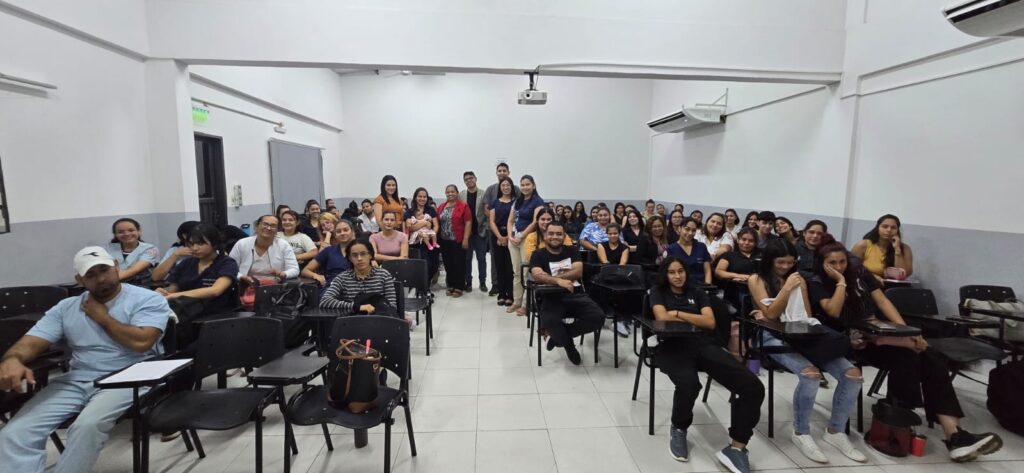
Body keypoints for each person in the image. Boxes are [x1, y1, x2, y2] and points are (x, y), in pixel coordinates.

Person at [810, 235, 1001, 462]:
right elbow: (832, 311)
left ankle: (954, 434)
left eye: (842, 261)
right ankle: (900, 421)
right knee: (909, 357)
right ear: (822, 264)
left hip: (879, 333)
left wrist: (906, 332)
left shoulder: (859, 273)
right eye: (832, 263)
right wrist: (840, 282)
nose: (839, 266)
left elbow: (883, 302)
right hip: (851, 342)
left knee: (930, 357)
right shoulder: (816, 282)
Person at [0, 247, 170, 473]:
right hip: (77, 379)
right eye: (91, 274)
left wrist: (103, 318)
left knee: (86, 426)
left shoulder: (147, 299)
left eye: (104, 269)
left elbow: (142, 342)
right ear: (80, 280)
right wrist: (12, 359)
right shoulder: (66, 308)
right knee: (15, 432)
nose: (101, 279)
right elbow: (32, 341)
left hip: (129, 377)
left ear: (116, 267)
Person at [747, 239, 866, 464]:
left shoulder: (798, 278)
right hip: (770, 334)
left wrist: (796, 288)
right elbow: (771, 315)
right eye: (780, 263)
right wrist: (787, 288)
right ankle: (801, 432)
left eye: (790, 262)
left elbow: (806, 316)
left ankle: (835, 431)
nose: (785, 267)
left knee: (853, 375)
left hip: (800, 333)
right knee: (810, 375)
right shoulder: (757, 279)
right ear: (770, 261)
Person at [651, 256, 764, 473]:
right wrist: (693, 317)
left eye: (681, 271)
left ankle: (737, 447)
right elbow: (662, 317)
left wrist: (677, 313)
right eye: (672, 272)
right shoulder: (658, 292)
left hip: (704, 344)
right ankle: (679, 428)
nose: (677, 276)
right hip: (672, 346)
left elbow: (710, 322)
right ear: (665, 274)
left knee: (753, 387)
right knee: (689, 384)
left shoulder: (698, 292)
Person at [528, 221, 605, 365]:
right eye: (551, 233)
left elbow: (578, 272)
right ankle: (569, 346)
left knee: (598, 317)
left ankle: (559, 338)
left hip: (576, 295)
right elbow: (537, 275)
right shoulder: (538, 254)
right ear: (545, 235)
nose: (554, 237)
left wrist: (552, 277)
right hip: (550, 297)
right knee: (550, 321)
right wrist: (558, 281)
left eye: (559, 234)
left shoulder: (572, 250)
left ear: (564, 236)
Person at [159, 223, 240, 315]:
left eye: (200, 244)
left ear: (214, 243)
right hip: (185, 310)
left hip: (215, 314)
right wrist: (162, 293)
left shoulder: (227, 263)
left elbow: (216, 290)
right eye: (191, 244)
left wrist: (175, 295)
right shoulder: (186, 263)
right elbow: (172, 290)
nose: (195, 248)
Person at [318, 240, 398, 316]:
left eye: (363, 254)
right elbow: (325, 301)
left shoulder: (384, 275)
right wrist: (356, 307)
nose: (359, 258)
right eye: (354, 255)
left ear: (370, 255)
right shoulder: (342, 278)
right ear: (349, 258)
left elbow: (392, 305)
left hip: (381, 319)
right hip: (354, 321)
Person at [506, 175, 544, 316]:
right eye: (522, 185)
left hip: (527, 239)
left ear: (533, 185)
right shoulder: (518, 201)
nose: (525, 187)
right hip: (514, 239)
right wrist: (510, 236)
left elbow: (535, 222)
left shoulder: (538, 201)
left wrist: (522, 236)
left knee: (526, 272)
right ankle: (517, 301)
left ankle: (526, 304)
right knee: (516, 272)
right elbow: (510, 220)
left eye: (528, 184)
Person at [229, 215, 299, 286]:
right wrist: (241, 277)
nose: (268, 228)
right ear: (257, 226)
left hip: (275, 286)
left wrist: (283, 274)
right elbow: (229, 268)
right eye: (265, 224)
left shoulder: (283, 245)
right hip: (245, 285)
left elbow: (295, 269)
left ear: (277, 230)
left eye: (273, 226)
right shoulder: (242, 244)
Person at [483, 163, 519, 297]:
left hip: (512, 233)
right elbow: (487, 210)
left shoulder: (516, 191)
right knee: (496, 261)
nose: (502, 172)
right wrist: (498, 234)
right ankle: (496, 286)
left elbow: (518, 212)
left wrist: (508, 235)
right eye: (499, 170)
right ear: (496, 172)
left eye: (504, 170)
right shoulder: (491, 190)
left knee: (511, 262)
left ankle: (511, 291)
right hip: (495, 232)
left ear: (508, 172)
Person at [851, 214, 914, 283]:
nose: (889, 230)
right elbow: (853, 268)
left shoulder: (905, 248)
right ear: (878, 228)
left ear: (897, 230)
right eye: (885, 226)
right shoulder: (863, 245)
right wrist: (872, 276)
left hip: (893, 286)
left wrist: (897, 250)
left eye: (893, 228)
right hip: (867, 283)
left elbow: (904, 274)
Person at [302, 218, 357, 291]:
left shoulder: (362, 249)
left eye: (346, 230)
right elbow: (305, 270)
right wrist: (315, 275)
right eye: (338, 231)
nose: (342, 233)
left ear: (352, 232)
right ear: (335, 235)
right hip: (332, 288)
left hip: (355, 287)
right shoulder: (328, 251)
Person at [437, 184, 472, 297]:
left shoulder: (463, 206)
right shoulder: (441, 207)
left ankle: (459, 287)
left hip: (458, 240)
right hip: (444, 241)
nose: (450, 194)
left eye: (452, 191)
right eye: (448, 192)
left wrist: (466, 238)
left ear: (457, 193)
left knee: (459, 264)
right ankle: (451, 285)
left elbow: (468, 222)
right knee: (448, 264)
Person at [488, 177, 517, 306]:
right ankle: (501, 294)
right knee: (499, 265)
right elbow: (491, 221)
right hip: (497, 235)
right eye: (503, 185)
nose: (505, 187)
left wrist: (508, 237)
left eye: (508, 185)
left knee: (510, 267)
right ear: (500, 188)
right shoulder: (494, 202)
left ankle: (510, 295)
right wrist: (500, 237)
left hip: (512, 234)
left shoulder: (516, 202)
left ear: (511, 186)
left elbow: (516, 221)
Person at [106, 218, 160, 286]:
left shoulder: (150, 249)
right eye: (120, 232)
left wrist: (106, 280)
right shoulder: (107, 249)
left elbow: (135, 269)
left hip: (140, 286)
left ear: (139, 231)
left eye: (131, 230)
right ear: (115, 234)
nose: (126, 234)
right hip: (113, 286)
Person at [460, 171, 489, 293]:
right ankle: (468, 283)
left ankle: (482, 283)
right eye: (466, 179)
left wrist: (486, 227)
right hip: (466, 234)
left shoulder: (483, 193)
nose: (469, 180)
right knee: (467, 259)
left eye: (471, 178)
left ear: (475, 179)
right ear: (464, 181)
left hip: (480, 232)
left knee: (481, 259)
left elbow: (487, 212)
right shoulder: (461, 195)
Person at [715, 228, 759, 307]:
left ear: (755, 243)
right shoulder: (729, 255)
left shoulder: (763, 254)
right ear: (738, 240)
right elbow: (718, 272)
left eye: (751, 241)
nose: (746, 243)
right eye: (743, 239)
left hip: (759, 289)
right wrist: (738, 276)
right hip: (736, 291)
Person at [405, 187, 441, 280]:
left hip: (431, 241)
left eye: (424, 197)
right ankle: (425, 286)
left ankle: (429, 282)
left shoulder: (431, 210)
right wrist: (424, 223)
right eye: (420, 196)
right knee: (425, 266)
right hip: (418, 243)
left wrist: (431, 234)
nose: (422, 199)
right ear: (415, 197)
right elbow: (410, 227)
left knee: (434, 266)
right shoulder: (410, 211)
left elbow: (436, 225)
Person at [665, 217, 713, 285]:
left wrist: (707, 286)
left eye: (693, 230)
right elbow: (669, 273)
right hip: (681, 286)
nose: (690, 233)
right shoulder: (671, 249)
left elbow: (707, 271)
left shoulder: (701, 247)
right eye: (687, 229)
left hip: (701, 286)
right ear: (679, 229)